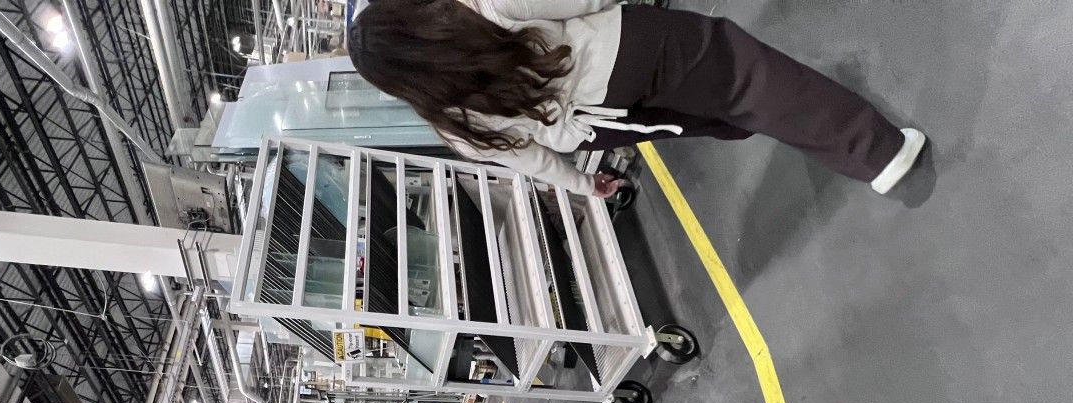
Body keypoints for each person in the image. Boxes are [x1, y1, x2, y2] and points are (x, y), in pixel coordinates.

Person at [346, 0, 927, 198]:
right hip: (629, 50)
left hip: (606, 123)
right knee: (746, 75)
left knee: (720, 109)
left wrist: (583, 184)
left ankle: (775, 125)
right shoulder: (485, 9)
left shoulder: (451, 123)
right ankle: (876, 152)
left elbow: (530, 159)